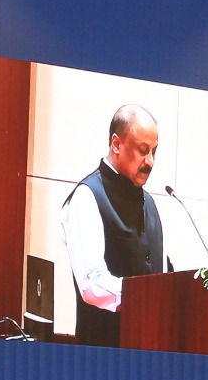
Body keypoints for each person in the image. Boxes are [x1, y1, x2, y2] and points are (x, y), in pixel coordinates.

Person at [59, 104, 170, 347]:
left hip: (151, 351)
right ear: (116, 144)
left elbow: (162, 275)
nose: (150, 161)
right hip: (103, 354)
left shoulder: (150, 203)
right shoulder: (87, 196)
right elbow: (91, 283)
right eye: (143, 150)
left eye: (154, 151)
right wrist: (145, 299)